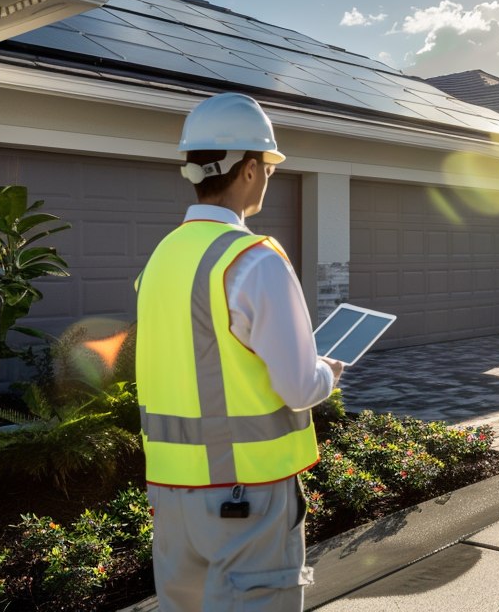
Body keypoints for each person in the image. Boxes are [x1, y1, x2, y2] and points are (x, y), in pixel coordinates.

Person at [136, 92, 345, 612]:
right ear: (249, 169)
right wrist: (329, 373)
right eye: (269, 166)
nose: (269, 177)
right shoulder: (254, 260)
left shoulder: (162, 257)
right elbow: (298, 386)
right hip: (246, 497)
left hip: (171, 494)